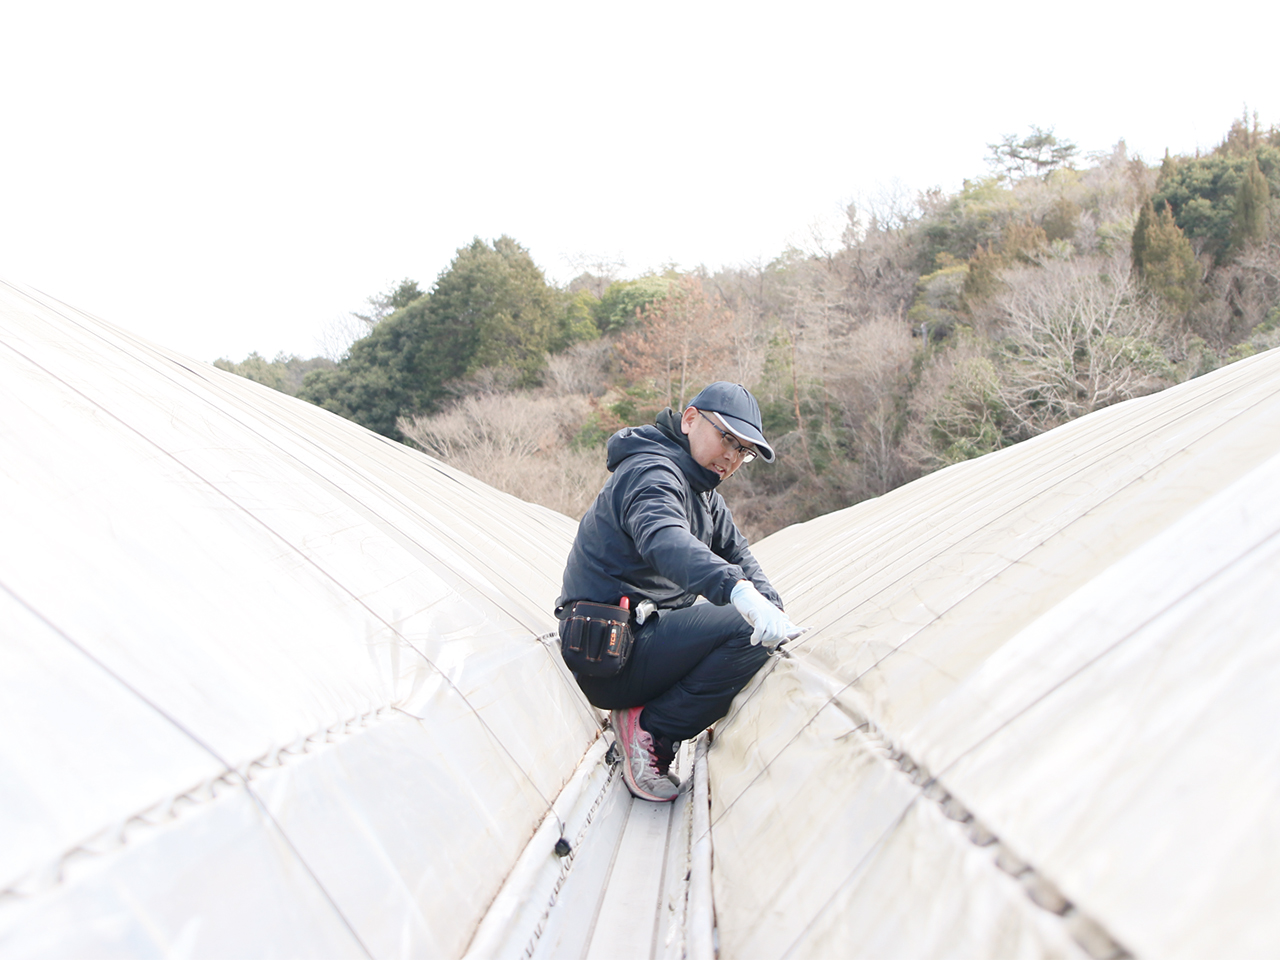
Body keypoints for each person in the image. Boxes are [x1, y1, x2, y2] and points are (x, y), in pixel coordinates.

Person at [556, 382, 803, 802]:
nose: (732, 457)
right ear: (690, 420)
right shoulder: (651, 472)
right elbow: (664, 539)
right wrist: (738, 592)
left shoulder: (704, 495)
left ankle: (654, 717)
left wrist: (769, 604)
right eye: (727, 438)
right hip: (607, 654)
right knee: (744, 631)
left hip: (638, 645)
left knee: (760, 626)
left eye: (743, 452)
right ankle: (652, 731)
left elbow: (739, 553)